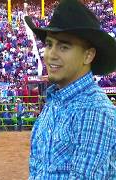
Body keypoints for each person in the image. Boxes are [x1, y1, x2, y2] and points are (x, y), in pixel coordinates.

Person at [25, 0, 116, 178]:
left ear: (88, 55)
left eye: (64, 46)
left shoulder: (94, 111)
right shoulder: (54, 103)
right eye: (49, 44)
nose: (51, 54)